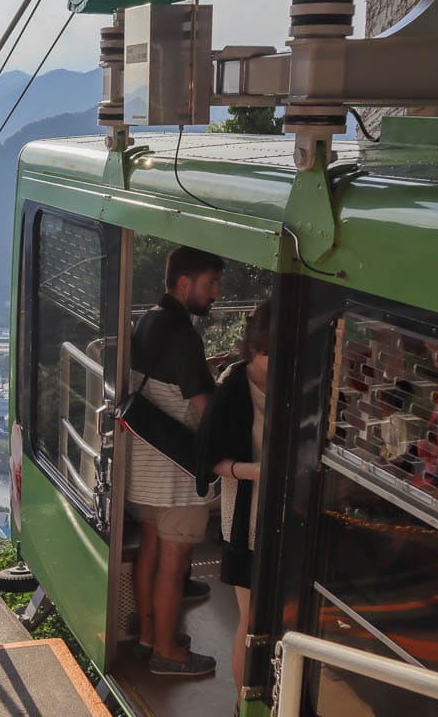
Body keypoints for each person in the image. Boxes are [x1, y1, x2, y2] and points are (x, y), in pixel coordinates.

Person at [129, 245, 223, 676]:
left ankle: (150, 634)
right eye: (210, 283)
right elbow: (206, 410)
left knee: (151, 551)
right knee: (175, 564)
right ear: (184, 284)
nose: (216, 293)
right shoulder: (185, 335)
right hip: (177, 472)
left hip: (145, 464)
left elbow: (168, 380)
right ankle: (168, 651)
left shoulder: (148, 319)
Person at [194, 300, 272, 697]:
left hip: (285, 515)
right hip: (247, 519)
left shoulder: (298, 385)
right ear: (255, 350)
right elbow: (208, 460)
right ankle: (247, 703)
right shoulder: (231, 390)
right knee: (253, 619)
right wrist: (254, 472)